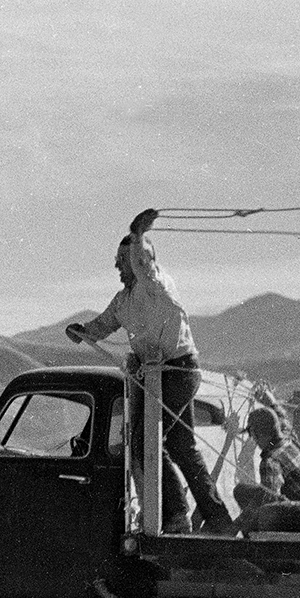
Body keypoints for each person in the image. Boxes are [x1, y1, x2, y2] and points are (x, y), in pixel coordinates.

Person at [66, 209, 234, 534]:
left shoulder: (154, 283)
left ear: (138, 258)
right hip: (163, 374)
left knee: (146, 442)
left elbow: (143, 262)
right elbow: (100, 326)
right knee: (182, 446)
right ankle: (217, 518)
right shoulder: (122, 301)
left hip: (177, 371)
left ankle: (175, 515)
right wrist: (81, 331)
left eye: (122, 259)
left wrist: (138, 234)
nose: (117, 266)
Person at [238, 394, 300, 512]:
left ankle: (251, 531)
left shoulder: (271, 461)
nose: (254, 440)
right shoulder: (290, 440)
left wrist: (236, 525)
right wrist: (272, 402)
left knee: (241, 492)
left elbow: (268, 499)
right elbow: (282, 421)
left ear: (260, 435)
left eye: (253, 436)